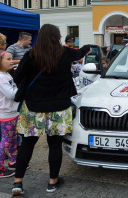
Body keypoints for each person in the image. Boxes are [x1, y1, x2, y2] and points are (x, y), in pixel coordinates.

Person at [11, 24, 91, 196]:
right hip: (59, 108)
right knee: (55, 145)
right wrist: (87, 48)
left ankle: (17, 182)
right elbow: (80, 53)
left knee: (27, 145)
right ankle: (52, 182)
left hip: (33, 107)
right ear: (57, 37)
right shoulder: (65, 53)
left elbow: (17, 77)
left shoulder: (31, 55)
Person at [0, 51, 18, 178]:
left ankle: (13, 162)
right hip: (6, 114)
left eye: (12, 58)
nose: (12, 61)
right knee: (6, 141)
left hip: (12, 112)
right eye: (8, 59)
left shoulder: (7, 75)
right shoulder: (1, 77)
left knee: (12, 139)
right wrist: (21, 88)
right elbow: (11, 94)